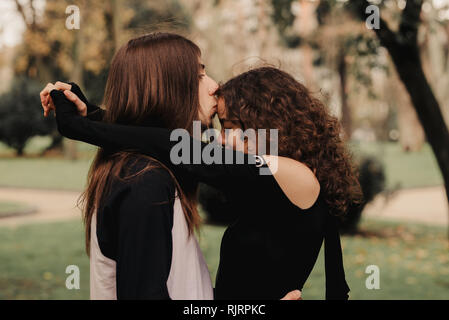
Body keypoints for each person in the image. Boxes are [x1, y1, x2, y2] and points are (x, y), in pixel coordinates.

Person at [41, 33, 303, 300]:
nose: (214, 86)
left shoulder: (152, 171)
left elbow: (174, 146)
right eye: (199, 75)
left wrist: (89, 122)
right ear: (166, 90)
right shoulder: (144, 180)